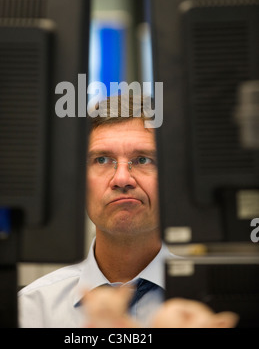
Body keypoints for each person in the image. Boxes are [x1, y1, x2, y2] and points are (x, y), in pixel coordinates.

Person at [18, 94, 238, 328]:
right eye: (102, 159)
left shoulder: (223, 305)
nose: (122, 179)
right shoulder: (33, 310)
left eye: (143, 159)